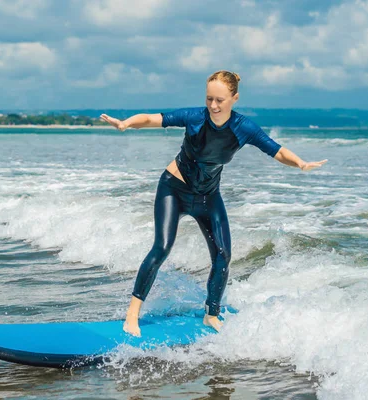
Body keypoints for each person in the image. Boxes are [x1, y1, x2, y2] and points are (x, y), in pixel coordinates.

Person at [100, 70, 327, 337]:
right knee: (161, 248)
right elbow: (153, 118)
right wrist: (126, 124)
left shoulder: (244, 128)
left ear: (234, 98)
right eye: (209, 99)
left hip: (208, 197)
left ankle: (212, 314)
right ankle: (132, 315)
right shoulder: (195, 117)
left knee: (223, 256)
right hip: (173, 189)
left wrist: (300, 162)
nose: (213, 106)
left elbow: (276, 150)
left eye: (220, 100)